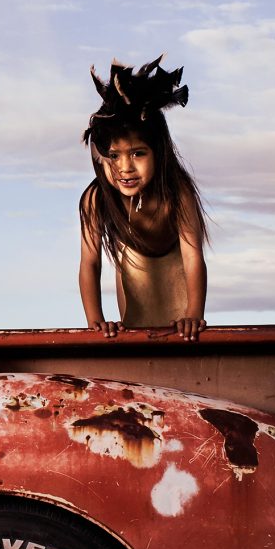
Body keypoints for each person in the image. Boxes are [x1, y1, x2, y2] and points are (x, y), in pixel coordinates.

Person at [75, 57, 208, 340]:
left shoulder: (177, 191)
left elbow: (192, 255)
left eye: (137, 153)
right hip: (133, 261)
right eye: (114, 156)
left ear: (158, 151)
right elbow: (90, 263)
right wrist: (96, 323)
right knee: (137, 330)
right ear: (100, 156)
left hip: (177, 260)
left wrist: (195, 314)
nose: (125, 167)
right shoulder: (95, 199)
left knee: (182, 335)